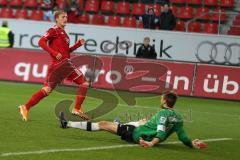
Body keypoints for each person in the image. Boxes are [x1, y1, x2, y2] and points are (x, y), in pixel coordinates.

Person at [59, 91, 207, 149]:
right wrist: (192, 145)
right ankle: (120, 125)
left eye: (161, 98)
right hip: (141, 133)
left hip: (137, 134)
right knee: (142, 120)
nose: (160, 100)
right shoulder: (179, 118)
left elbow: (161, 133)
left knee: (103, 124)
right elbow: (183, 137)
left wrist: (150, 143)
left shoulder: (163, 113)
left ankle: (68, 124)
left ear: (164, 102)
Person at [18, 10, 90, 121]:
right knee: (84, 83)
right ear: (56, 19)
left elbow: (66, 52)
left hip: (58, 65)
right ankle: (77, 108)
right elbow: (41, 42)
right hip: (63, 64)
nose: (65, 19)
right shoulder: (54, 30)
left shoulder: (64, 34)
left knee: (47, 90)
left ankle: (25, 107)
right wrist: (54, 53)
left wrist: (77, 45)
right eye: (62, 17)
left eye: (66, 17)